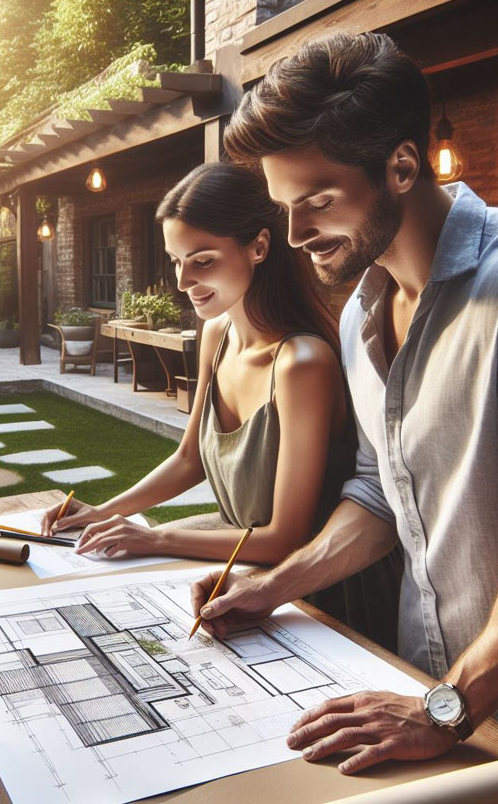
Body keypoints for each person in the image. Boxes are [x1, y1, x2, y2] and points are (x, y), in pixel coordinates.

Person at [189, 31, 498, 801]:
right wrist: (273, 585)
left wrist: (446, 706)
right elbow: (377, 495)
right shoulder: (360, 315)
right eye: (285, 207)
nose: (295, 237)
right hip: (415, 687)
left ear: (402, 165)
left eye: (318, 202)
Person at [42, 161, 401, 645]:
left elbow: (285, 537)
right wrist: (107, 510)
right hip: (237, 558)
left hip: (311, 588)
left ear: (259, 247)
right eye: (176, 260)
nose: (182, 280)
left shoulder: (301, 364)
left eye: (203, 260)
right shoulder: (217, 332)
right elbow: (189, 458)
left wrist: (154, 536)